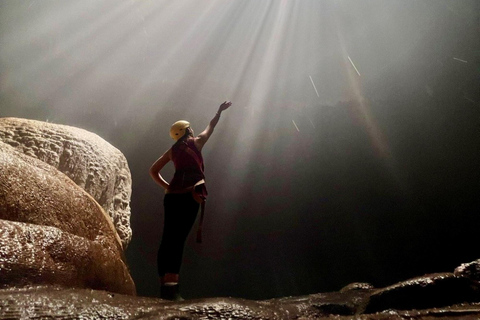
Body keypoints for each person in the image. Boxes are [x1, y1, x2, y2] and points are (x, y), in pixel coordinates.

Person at [149, 100, 232, 300]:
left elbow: (153, 171)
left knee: (167, 239)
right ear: (187, 131)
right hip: (189, 196)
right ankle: (172, 291)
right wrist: (218, 111)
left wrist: (167, 186)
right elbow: (210, 127)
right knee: (178, 240)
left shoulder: (171, 151)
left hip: (171, 198)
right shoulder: (197, 142)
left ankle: (164, 288)